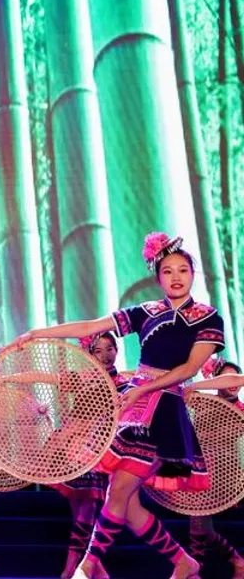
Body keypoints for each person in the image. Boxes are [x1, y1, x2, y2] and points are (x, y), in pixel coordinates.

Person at [12, 232, 222, 579]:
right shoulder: (146, 311)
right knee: (128, 504)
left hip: (165, 409)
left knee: (120, 489)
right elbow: (92, 326)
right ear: (158, 277)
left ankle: (88, 564)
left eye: (182, 270)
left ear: (192, 274)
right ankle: (184, 562)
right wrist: (38, 333)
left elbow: (188, 369)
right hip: (133, 408)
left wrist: (143, 390)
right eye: (167, 271)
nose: (175, 277)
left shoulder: (207, 317)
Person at [54, 332, 121, 579]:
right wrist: (8, 378)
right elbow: (48, 378)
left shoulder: (123, 381)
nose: (105, 355)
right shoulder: (82, 378)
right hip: (72, 449)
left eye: (110, 348)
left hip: (99, 451)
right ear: (90, 354)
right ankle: (94, 569)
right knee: (80, 511)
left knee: (88, 508)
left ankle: (70, 569)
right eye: (98, 350)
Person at [184, 356, 244, 578]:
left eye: (234, 377)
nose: (232, 382)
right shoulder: (203, 403)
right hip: (200, 472)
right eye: (225, 378)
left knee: (197, 520)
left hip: (225, 477)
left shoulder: (240, 411)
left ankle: (196, 570)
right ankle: (236, 559)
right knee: (201, 526)